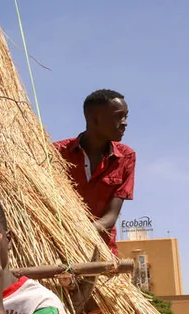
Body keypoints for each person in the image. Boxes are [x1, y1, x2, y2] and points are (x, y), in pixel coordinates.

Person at [53, 89, 134, 255]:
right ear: (94, 118)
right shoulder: (57, 153)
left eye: (126, 116)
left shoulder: (126, 157)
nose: (125, 122)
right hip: (60, 251)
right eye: (118, 116)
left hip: (102, 253)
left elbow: (110, 218)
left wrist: (79, 232)